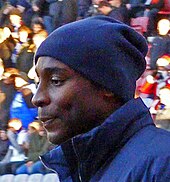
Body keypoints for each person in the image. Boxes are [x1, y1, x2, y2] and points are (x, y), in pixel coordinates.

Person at [32, 16, 170, 181]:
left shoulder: (162, 164)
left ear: (108, 85)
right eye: (39, 82)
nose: (37, 98)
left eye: (56, 81)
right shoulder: (81, 169)